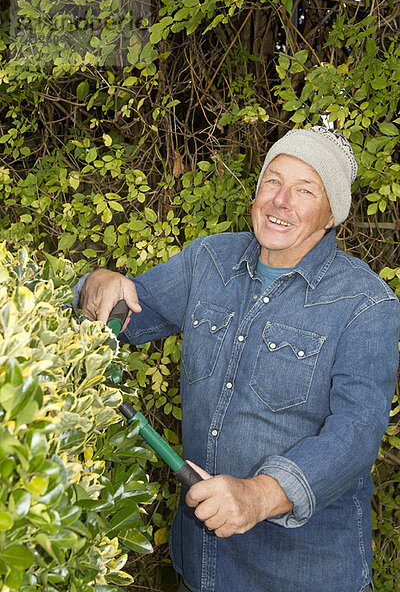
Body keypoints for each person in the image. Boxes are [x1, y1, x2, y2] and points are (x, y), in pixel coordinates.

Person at [74, 126, 400, 592]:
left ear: (331, 216)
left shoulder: (366, 305)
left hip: (305, 577)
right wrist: (98, 283)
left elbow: (355, 435)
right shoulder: (210, 260)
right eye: (273, 180)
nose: (280, 200)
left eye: (304, 190)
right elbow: (123, 311)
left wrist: (259, 495)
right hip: (202, 570)